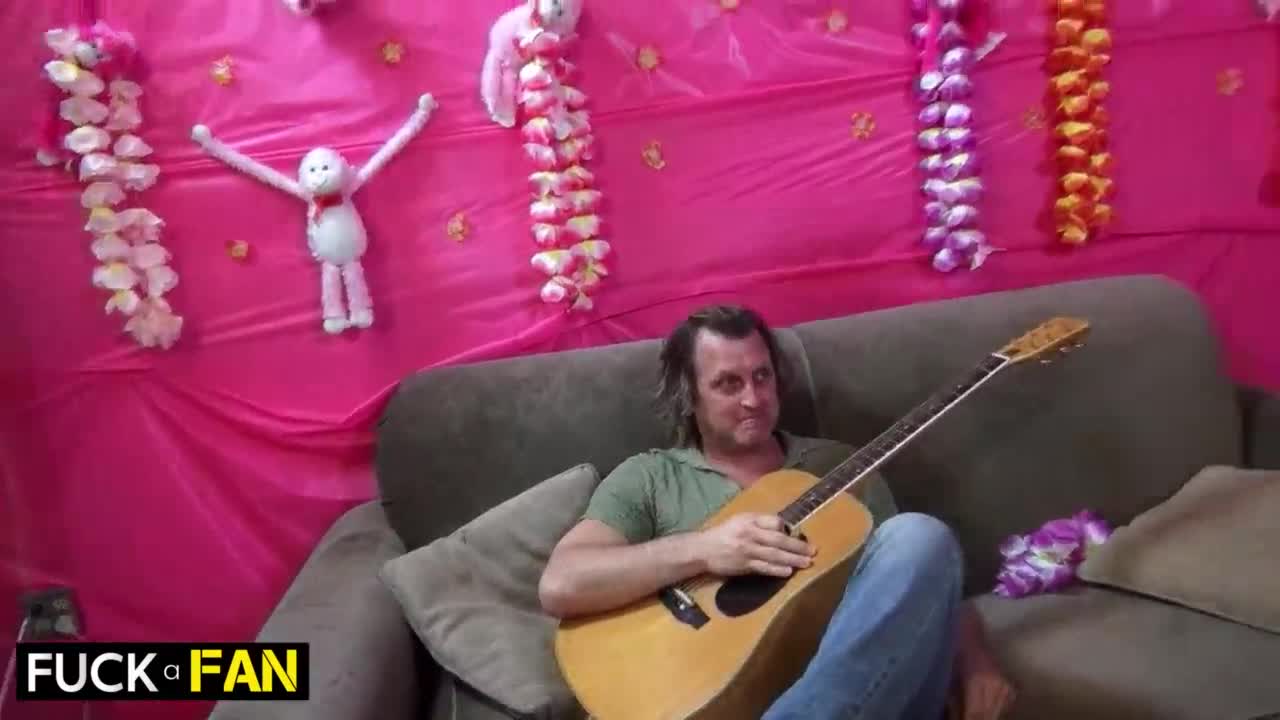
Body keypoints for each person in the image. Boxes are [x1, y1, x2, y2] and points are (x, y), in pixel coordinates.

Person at [539, 304, 1016, 720]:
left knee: (920, 535)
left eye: (762, 376)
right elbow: (562, 584)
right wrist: (704, 550)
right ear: (689, 395)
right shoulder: (650, 476)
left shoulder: (843, 467)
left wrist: (976, 662)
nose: (753, 398)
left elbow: (920, 581)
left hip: (868, 695)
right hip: (712, 704)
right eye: (728, 384)